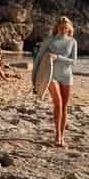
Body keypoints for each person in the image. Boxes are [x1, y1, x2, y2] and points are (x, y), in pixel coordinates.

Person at [35, 16, 79, 148]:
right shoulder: (50, 40)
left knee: (64, 107)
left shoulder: (73, 42)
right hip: (51, 76)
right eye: (61, 26)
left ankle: (62, 136)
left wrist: (57, 57)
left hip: (66, 76)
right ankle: (57, 135)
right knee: (58, 104)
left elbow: (74, 61)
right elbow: (38, 58)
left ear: (69, 28)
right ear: (57, 27)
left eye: (66, 26)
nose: (63, 28)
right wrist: (34, 79)